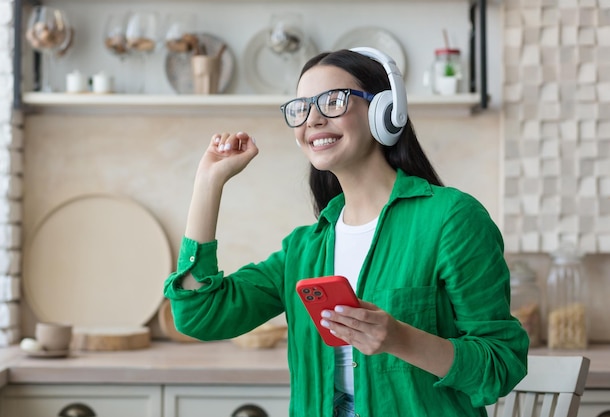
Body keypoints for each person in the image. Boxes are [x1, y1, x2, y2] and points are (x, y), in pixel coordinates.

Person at [164, 47, 528, 417]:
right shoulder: (304, 250)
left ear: (385, 111)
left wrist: (400, 338)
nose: (314, 119)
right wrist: (208, 184)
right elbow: (200, 313)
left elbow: (501, 364)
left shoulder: (451, 219)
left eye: (333, 101)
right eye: (301, 108)